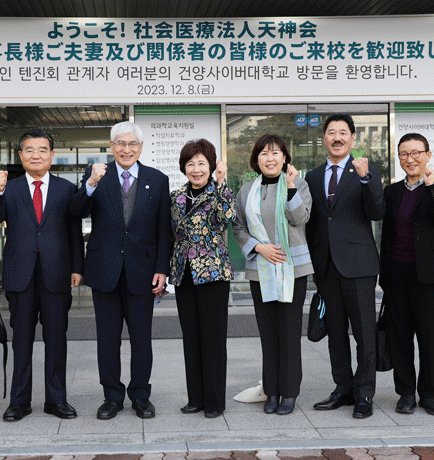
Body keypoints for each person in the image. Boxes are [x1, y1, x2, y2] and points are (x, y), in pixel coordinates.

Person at [69, 120, 171, 420]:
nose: (126, 149)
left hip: (143, 271)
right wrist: (90, 184)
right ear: (112, 146)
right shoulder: (96, 175)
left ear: (140, 147)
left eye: (132, 144)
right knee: (107, 339)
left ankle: (140, 395)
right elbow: (76, 211)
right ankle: (112, 396)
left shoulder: (158, 179)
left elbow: (164, 229)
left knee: (142, 339)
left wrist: (162, 269)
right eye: (120, 144)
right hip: (105, 270)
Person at [0, 129, 84, 422]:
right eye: (29, 150)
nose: (36, 155)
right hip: (20, 275)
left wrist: (77, 267)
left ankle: (56, 400)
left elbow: (74, 232)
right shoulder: (10, 189)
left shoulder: (67, 189)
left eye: (42, 150)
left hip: (57, 274)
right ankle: (19, 402)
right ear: (20, 156)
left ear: (52, 155)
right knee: (22, 340)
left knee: (57, 340)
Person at [305, 113, 385, 419]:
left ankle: (364, 393)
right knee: (335, 333)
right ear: (324, 138)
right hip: (326, 266)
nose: (337, 137)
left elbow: (377, 212)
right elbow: (312, 222)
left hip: (359, 266)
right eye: (331, 132)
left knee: (364, 332)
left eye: (343, 132)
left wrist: (366, 179)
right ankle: (342, 389)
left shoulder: (365, 170)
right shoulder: (312, 177)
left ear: (352, 138)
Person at [380, 134, 434, 416]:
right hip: (397, 274)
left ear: (427, 154)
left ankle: (429, 394)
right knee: (400, 337)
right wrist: (384, 275)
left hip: (432, 278)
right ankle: (405, 393)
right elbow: (387, 233)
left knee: (429, 339)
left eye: (416, 153)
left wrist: (430, 186)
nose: (410, 159)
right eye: (404, 154)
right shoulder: (391, 192)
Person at [233, 134, 312, 416]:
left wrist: (290, 187)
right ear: (256, 160)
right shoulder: (246, 191)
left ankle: (289, 393)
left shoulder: (298, 184)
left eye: (276, 153)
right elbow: (238, 227)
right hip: (260, 270)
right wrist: (259, 248)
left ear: (285, 158)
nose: (270, 158)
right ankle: (272, 390)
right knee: (268, 334)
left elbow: (300, 218)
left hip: (293, 270)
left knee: (289, 333)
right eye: (264, 154)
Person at [169, 139, 235, 419]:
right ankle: (195, 398)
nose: (196, 169)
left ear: (211, 166)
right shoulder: (176, 197)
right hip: (184, 275)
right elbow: (170, 234)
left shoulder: (221, 193)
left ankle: (215, 401)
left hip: (213, 274)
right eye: (191, 164)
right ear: (184, 167)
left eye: (202, 164)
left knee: (214, 339)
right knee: (191, 338)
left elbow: (227, 217)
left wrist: (221, 183)